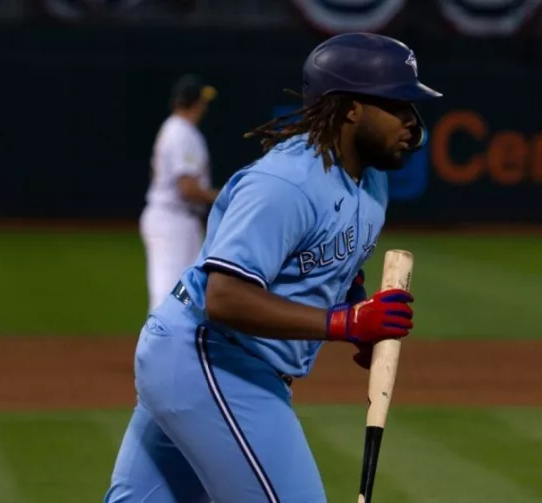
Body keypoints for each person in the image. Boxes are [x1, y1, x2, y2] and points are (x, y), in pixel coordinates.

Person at [105, 32, 443, 503]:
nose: (413, 122)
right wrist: (345, 323)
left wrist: (357, 311)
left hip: (213, 364)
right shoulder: (285, 183)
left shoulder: (373, 185)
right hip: (210, 357)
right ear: (350, 109)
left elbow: (326, 268)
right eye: (399, 104)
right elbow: (224, 297)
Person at [140, 74, 220, 312]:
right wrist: (222, 197)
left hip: (177, 219)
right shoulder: (182, 133)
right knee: (169, 291)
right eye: (203, 100)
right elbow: (187, 188)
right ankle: (158, 345)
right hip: (173, 219)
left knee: (185, 292)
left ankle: (171, 343)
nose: (205, 105)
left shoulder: (174, 129)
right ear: (194, 103)